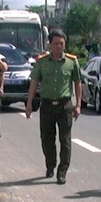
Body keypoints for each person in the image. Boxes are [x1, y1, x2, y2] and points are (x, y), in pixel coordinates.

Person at [24, 29, 81, 185]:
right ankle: (50, 165)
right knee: (47, 139)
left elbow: (77, 83)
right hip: (47, 105)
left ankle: (62, 172)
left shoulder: (71, 62)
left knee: (65, 140)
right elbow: (34, 83)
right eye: (55, 43)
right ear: (50, 44)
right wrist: (29, 103)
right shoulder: (42, 62)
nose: (58, 47)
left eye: (61, 44)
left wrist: (78, 105)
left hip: (65, 106)